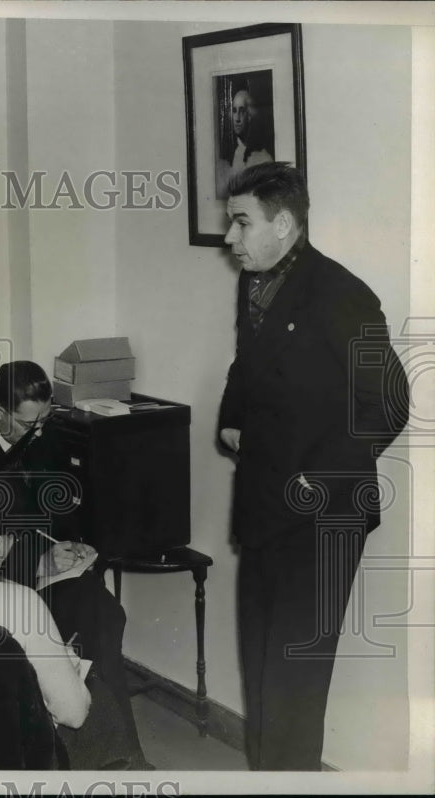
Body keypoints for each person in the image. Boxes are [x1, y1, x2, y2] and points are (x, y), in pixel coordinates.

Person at [218, 162, 409, 770]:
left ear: (282, 224)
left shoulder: (341, 294)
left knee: (293, 686)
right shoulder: (255, 282)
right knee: (260, 671)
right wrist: (232, 416)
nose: (230, 237)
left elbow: (391, 404)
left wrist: (318, 479)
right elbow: (246, 364)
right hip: (263, 508)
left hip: (322, 520)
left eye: (241, 223)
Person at [0, 360, 149, 770]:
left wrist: (73, 543)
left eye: (45, 419)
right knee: (86, 615)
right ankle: (96, 754)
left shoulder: (42, 433)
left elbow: (58, 504)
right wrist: (41, 561)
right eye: (29, 423)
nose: (40, 431)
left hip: (40, 572)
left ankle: (120, 754)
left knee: (103, 611)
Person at [216, 85, 274, 199]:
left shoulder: (264, 159)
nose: (237, 118)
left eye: (242, 111)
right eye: (234, 111)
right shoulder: (232, 155)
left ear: (249, 116)